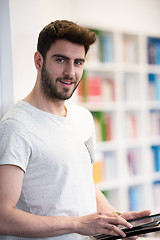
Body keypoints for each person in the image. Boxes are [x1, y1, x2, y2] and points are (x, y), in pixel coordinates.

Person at [0, 20, 150, 240]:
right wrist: (77, 224)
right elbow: (3, 218)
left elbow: (82, 181)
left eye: (78, 62)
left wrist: (115, 221)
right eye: (61, 60)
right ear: (39, 61)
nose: (70, 72)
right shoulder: (17, 126)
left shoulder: (83, 118)